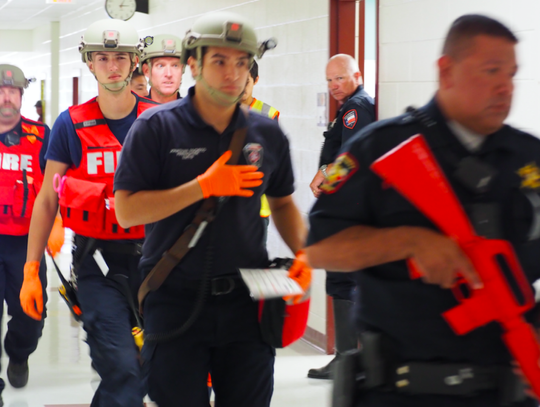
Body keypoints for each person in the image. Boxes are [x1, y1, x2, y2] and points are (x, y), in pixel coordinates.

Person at [306, 14, 540, 407]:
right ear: (446, 72)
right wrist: (407, 241)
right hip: (399, 391)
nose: (505, 87)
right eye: (491, 71)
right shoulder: (377, 147)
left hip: (505, 390)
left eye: (511, 74)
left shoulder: (528, 158)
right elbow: (319, 248)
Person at [113, 11, 311, 407]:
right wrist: (203, 186)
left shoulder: (266, 133)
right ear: (194, 64)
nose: (232, 74)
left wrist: (306, 252)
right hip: (174, 297)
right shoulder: (156, 127)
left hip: (249, 298)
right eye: (220, 61)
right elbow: (127, 211)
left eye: (241, 63)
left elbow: (284, 202)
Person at [19, 19, 159, 407]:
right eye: (102, 57)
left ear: (135, 63)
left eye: (120, 57)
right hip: (99, 264)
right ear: (89, 63)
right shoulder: (70, 124)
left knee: (154, 369)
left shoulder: (160, 119)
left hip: (158, 262)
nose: (112, 66)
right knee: (121, 367)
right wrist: (32, 269)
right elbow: (47, 199)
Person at [307, 54, 375, 380]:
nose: (334, 86)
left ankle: (348, 362)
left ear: (357, 75)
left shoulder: (356, 109)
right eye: (329, 80)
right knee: (342, 279)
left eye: (340, 78)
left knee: (342, 279)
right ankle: (347, 359)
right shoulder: (350, 105)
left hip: (348, 209)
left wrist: (325, 181)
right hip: (349, 208)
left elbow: (351, 159)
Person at [0, 64, 50, 404]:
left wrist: (57, 219)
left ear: (21, 96)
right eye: (1, 92)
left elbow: (56, 180)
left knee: (31, 312)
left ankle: (19, 353)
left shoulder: (41, 135)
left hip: (26, 242)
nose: (6, 97)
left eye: (13, 92)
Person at [241, 60, 280, 239]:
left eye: (246, 81)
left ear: (255, 80)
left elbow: (274, 161)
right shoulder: (218, 112)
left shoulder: (269, 114)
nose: (241, 87)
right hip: (223, 205)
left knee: (252, 264)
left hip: (257, 207)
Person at [140, 34, 183, 103]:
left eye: (175, 66)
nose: (169, 74)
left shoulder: (195, 111)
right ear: (146, 70)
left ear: (182, 70)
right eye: (160, 66)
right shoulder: (136, 111)